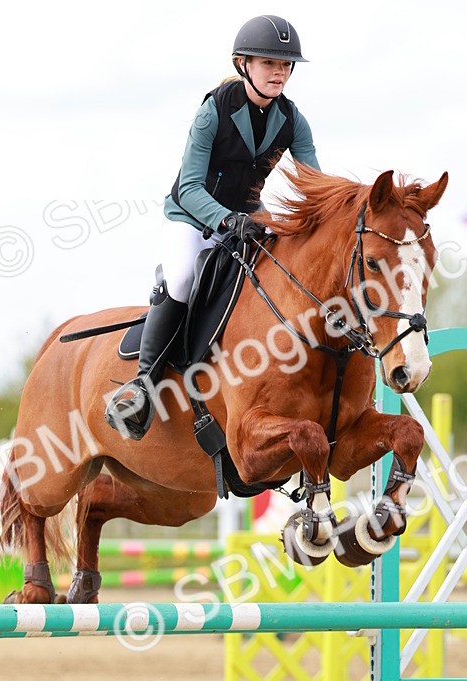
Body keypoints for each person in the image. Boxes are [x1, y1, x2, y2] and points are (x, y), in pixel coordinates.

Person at [105, 14, 320, 440]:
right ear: (244, 65)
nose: (279, 73)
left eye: (285, 66)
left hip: (249, 221)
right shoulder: (213, 111)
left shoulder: (293, 119)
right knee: (183, 277)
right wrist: (224, 219)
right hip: (193, 217)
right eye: (269, 63)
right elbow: (188, 185)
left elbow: (315, 184)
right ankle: (144, 385)